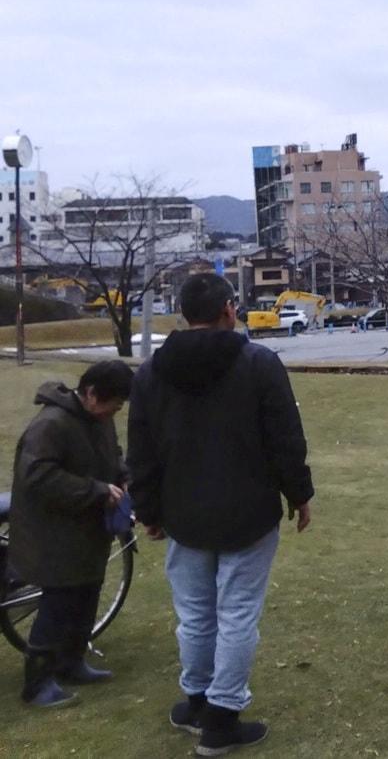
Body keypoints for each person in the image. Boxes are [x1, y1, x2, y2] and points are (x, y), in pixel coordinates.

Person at [127, 273, 314, 754]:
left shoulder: (150, 373)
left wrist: (147, 509)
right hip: (248, 511)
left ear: (183, 315)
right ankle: (222, 717)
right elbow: (284, 439)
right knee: (236, 615)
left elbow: (141, 452)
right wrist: (299, 494)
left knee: (194, 614)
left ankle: (197, 701)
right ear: (230, 309)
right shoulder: (259, 363)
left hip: (182, 513)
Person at [9, 361, 135, 709]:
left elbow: (113, 455)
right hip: (54, 532)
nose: (116, 411)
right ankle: (37, 684)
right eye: (113, 403)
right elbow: (37, 476)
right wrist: (96, 490)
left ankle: (71, 662)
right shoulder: (51, 424)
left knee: (87, 593)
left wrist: (122, 476)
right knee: (58, 603)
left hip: (88, 531)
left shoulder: (99, 419)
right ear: (91, 393)